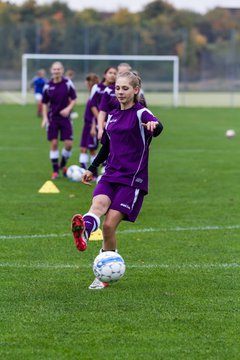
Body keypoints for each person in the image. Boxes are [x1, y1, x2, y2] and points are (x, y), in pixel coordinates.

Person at [71, 71, 163, 289]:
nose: (120, 92)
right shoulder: (112, 115)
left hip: (132, 179)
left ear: (135, 90)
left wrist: (154, 127)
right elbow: (107, 146)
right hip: (110, 173)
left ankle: (104, 274)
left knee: (110, 225)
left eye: (125, 88)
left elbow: (157, 125)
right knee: (97, 205)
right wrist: (92, 168)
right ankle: (84, 231)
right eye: (118, 88)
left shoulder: (141, 113)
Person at [41, 61, 77, 180]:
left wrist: (68, 109)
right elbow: (44, 103)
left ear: (62, 70)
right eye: (54, 69)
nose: (56, 71)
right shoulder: (47, 85)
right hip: (53, 119)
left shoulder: (67, 83)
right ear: (51, 71)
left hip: (65, 118)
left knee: (68, 144)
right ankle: (55, 171)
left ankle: (62, 164)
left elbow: (74, 99)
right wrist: (45, 118)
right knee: (54, 143)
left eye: (59, 69)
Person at [79, 73, 100, 178]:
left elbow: (95, 112)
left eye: (87, 81)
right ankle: (83, 172)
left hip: (92, 126)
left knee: (92, 150)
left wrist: (93, 127)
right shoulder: (91, 93)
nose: (85, 83)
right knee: (83, 149)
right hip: (86, 125)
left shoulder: (96, 93)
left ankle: (94, 175)